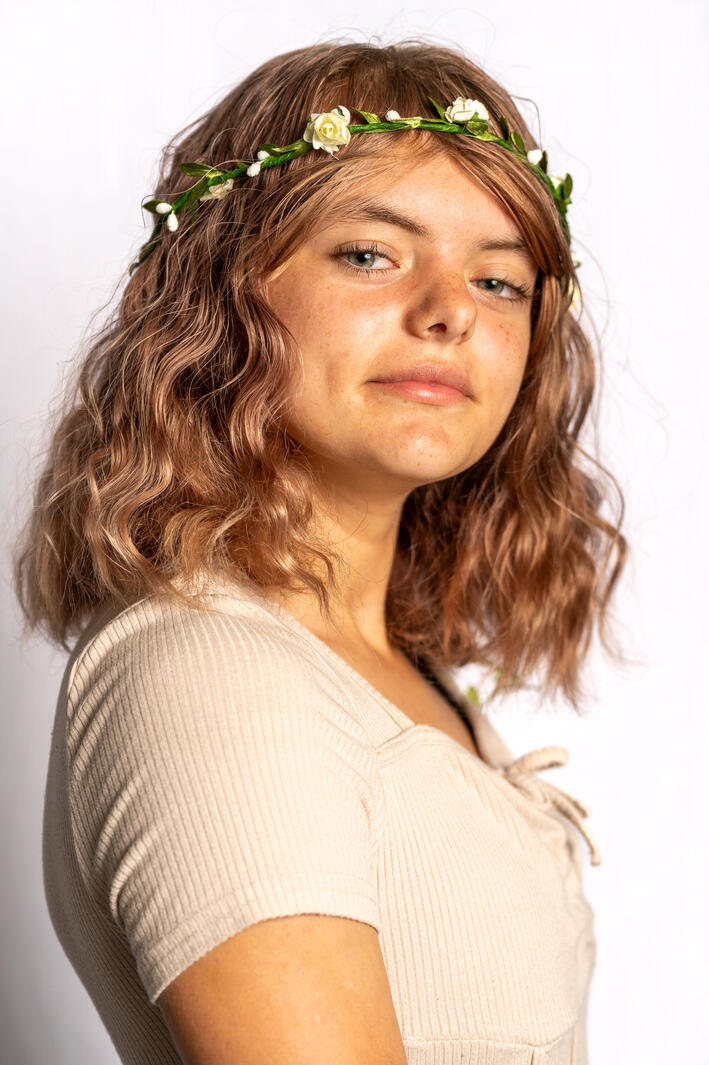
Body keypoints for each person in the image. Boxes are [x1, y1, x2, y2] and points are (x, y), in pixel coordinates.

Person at [13, 35, 628, 1065]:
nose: (446, 314)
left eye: (499, 281)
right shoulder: (209, 671)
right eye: (369, 254)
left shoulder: (404, 676)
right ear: (223, 294)